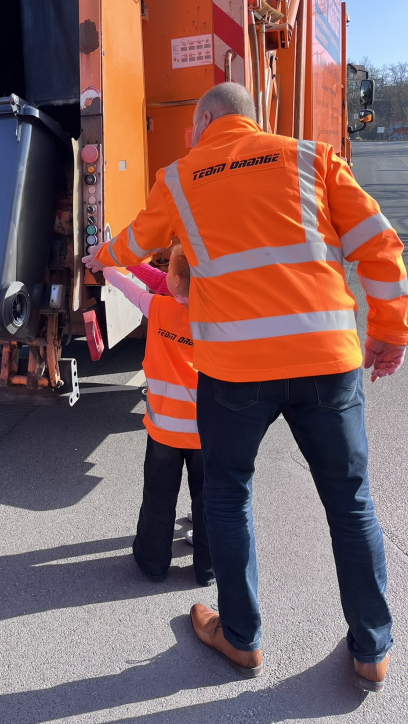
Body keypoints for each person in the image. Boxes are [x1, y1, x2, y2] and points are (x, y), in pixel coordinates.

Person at [83, 82, 408, 690]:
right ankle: (372, 648)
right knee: (350, 502)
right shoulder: (312, 158)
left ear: (207, 120)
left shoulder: (181, 177)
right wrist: (389, 330)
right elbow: (381, 245)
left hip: (234, 370)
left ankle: (240, 638)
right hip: (325, 360)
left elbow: (135, 242)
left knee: (228, 495)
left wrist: (100, 256)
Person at [92, 248, 214, 587]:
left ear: (173, 282)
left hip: (164, 430)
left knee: (158, 497)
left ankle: (153, 562)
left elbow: (130, 289)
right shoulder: (223, 319)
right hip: (209, 431)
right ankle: (208, 567)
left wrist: (106, 265)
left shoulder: (158, 308)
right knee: (211, 500)